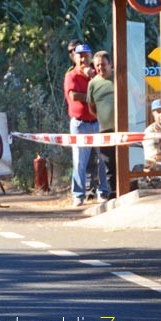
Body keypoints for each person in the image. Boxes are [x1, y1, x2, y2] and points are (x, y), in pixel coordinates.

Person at [64, 42, 103, 206]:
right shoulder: (71, 75)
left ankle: (103, 192)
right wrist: (92, 96)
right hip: (80, 124)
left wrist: (93, 78)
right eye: (80, 56)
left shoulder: (97, 75)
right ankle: (78, 195)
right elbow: (74, 96)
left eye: (86, 56)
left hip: (98, 121)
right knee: (79, 161)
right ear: (75, 58)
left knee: (103, 159)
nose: (83, 59)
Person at [87, 50, 116, 200]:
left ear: (110, 64)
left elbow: (137, 97)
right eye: (97, 65)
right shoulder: (93, 84)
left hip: (123, 128)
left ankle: (127, 190)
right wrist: (102, 117)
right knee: (108, 163)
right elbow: (91, 107)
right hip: (105, 129)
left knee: (124, 161)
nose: (100, 68)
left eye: (103, 64)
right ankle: (112, 194)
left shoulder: (120, 76)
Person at [143, 99, 161, 168]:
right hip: (159, 171)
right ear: (153, 114)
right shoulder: (150, 131)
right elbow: (155, 159)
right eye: (159, 111)